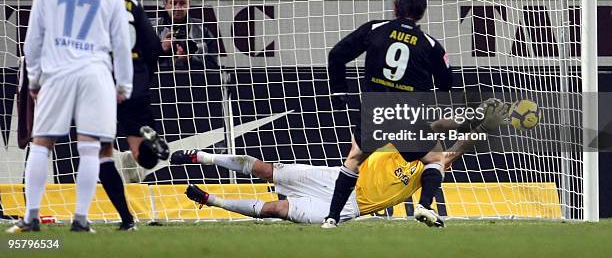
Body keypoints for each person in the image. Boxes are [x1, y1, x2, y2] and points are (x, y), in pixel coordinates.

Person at [170, 101, 509, 224]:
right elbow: (438, 125)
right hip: (333, 180)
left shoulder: (430, 171)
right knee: (265, 168)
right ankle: (202, 155)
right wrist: (473, 115)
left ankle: (209, 200)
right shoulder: (405, 140)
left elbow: (457, 150)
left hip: (351, 208)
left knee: (277, 210)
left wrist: (483, 127)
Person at [7, 0, 133, 233]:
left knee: (42, 143)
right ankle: (80, 219)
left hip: (57, 71)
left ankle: (31, 217)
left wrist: (34, 80)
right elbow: (121, 44)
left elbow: (32, 41)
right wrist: (123, 87)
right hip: (95, 73)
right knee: (90, 148)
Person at [321, 0, 454, 229]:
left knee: (354, 158)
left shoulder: (375, 29)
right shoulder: (431, 45)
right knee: (436, 158)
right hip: (407, 113)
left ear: (395, 7)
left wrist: (339, 91)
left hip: (375, 108)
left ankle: (331, 218)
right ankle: (424, 205)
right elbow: (446, 83)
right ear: (422, 13)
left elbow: (337, 55)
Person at [94, 0, 168, 231]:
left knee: (100, 152)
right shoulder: (130, 3)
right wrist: (144, 79)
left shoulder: (86, 3)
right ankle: (149, 141)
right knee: (142, 159)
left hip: (100, 82)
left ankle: (127, 219)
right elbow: (152, 46)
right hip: (135, 83)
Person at [157, 0, 220, 69]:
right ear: (165, 5)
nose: (178, 8)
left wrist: (189, 59)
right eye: (173, 3)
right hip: (161, 81)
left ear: (189, 4)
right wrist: (162, 49)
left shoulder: (202, 29)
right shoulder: (153, 29)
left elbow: (213, 65)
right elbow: (140, 64)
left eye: (182, 3)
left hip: (194, 81)